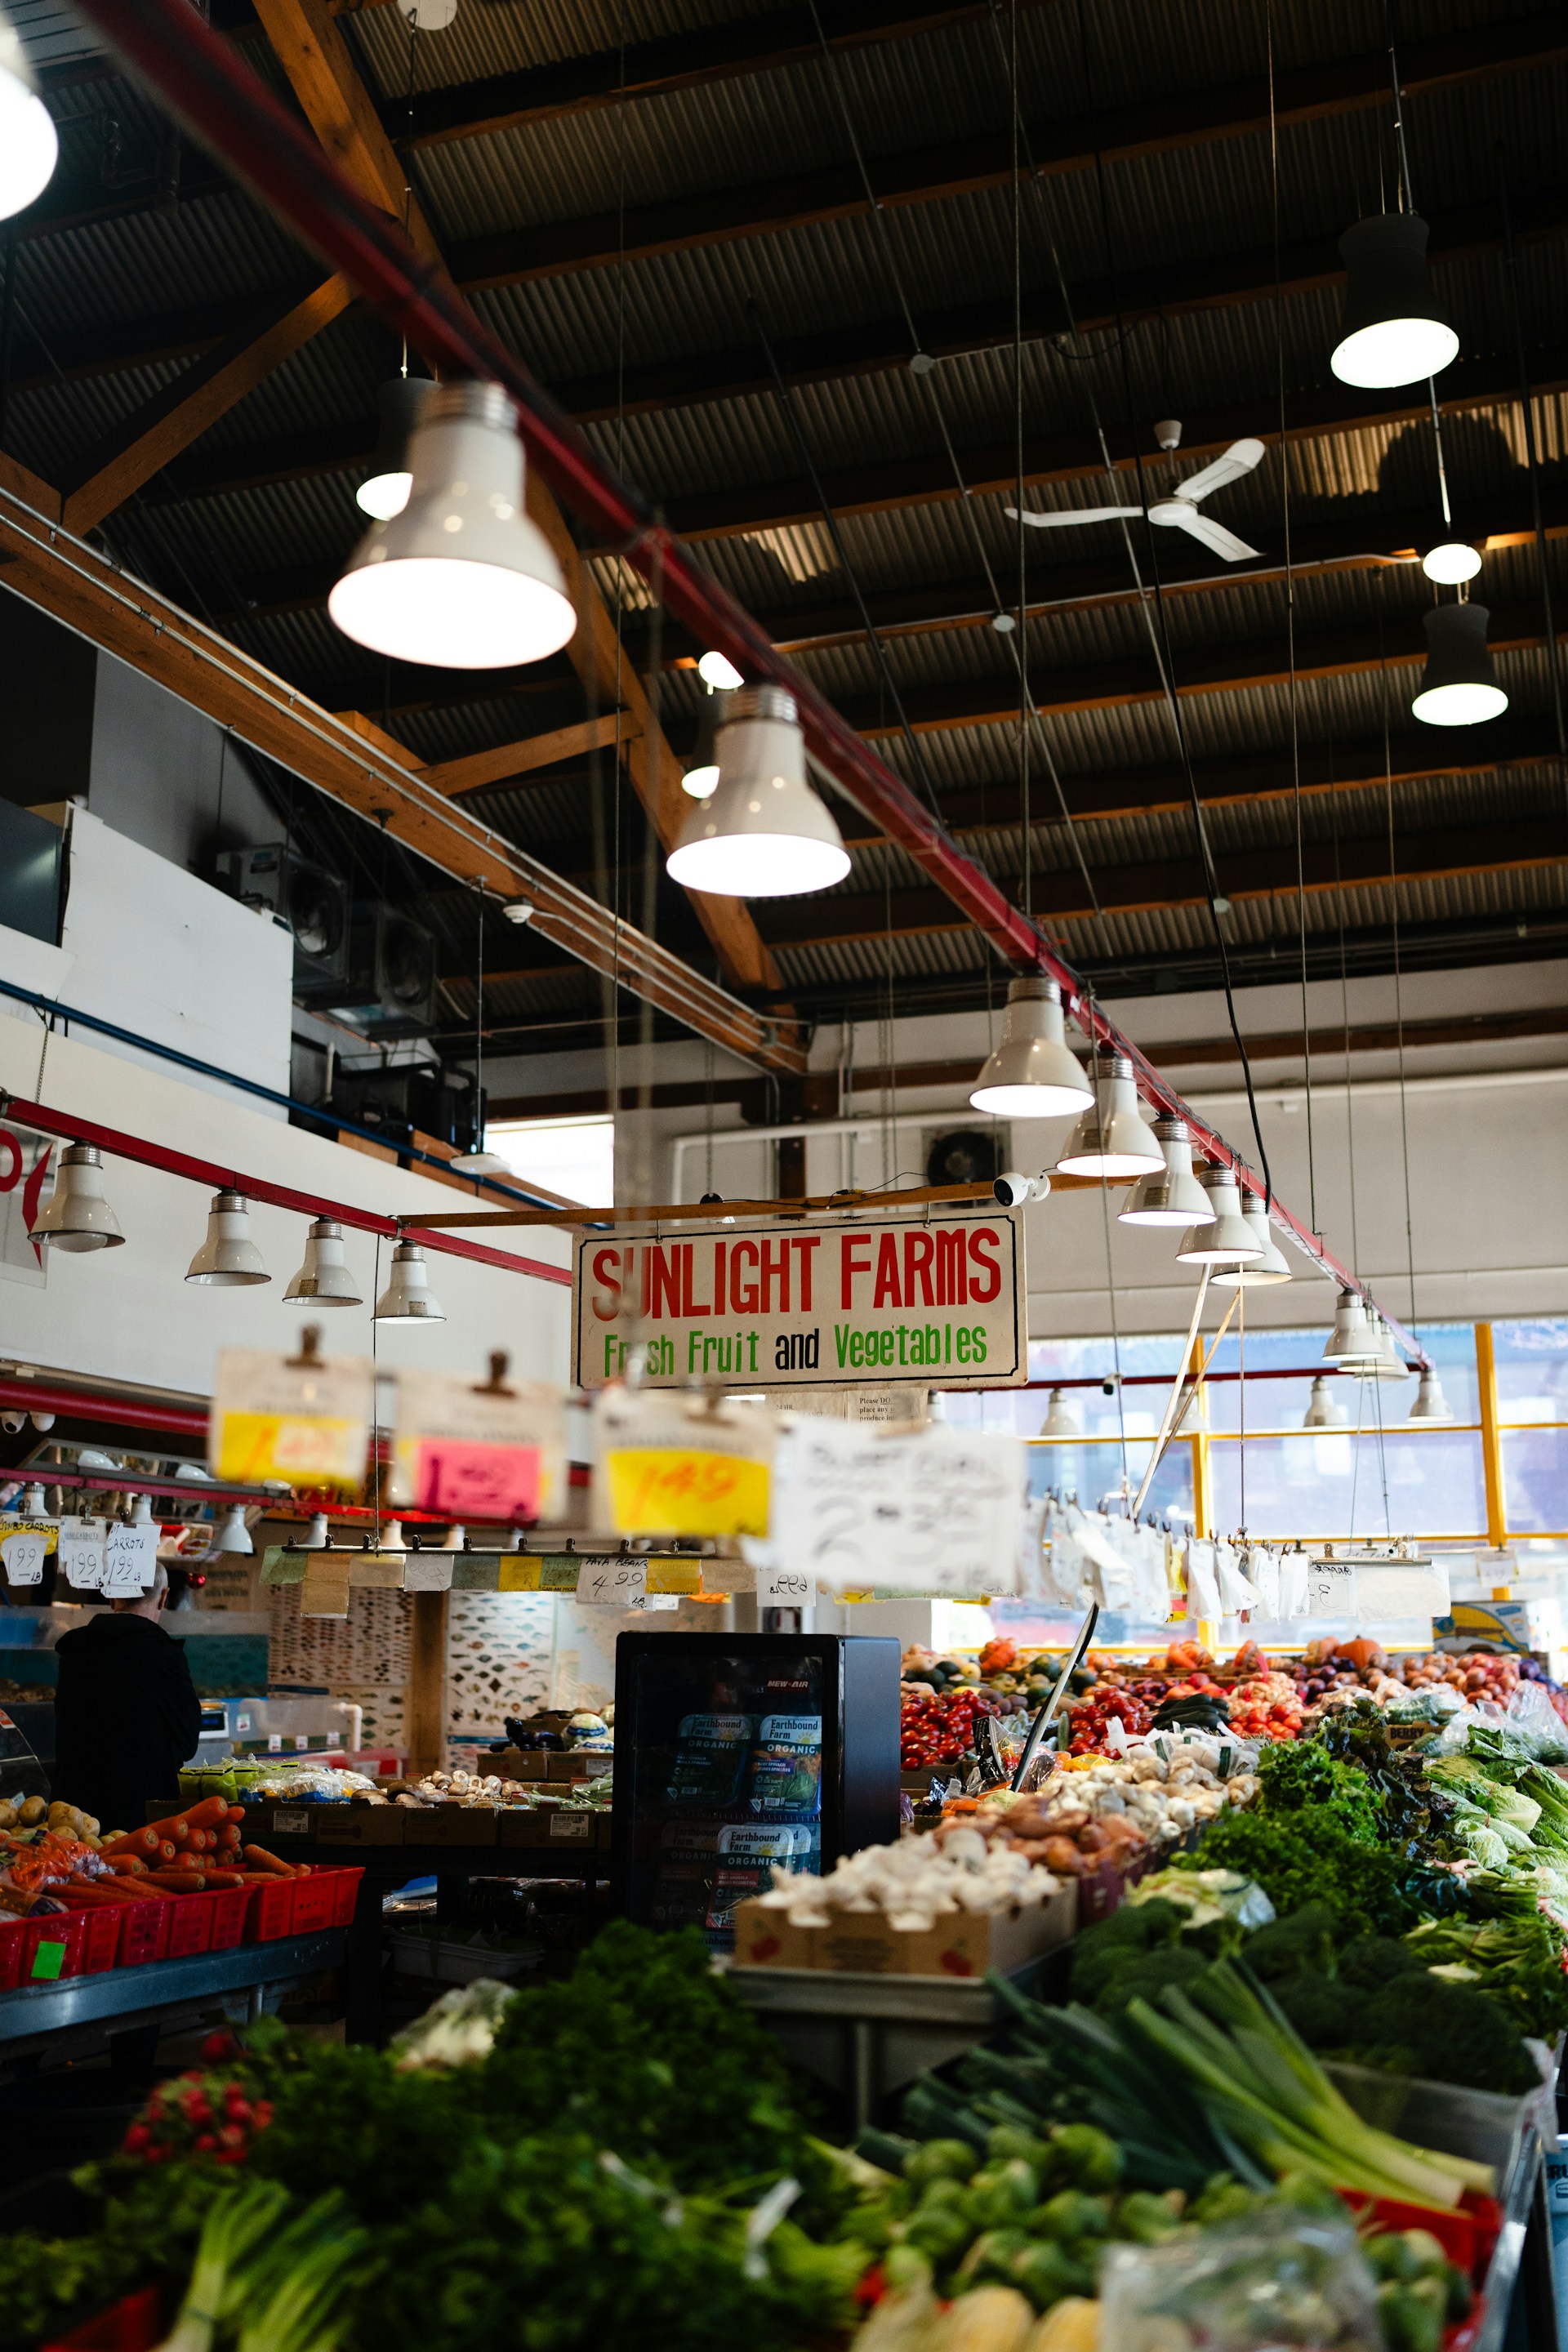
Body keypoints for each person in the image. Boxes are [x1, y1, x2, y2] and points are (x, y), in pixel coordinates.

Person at [52, 1565, 203, 1834]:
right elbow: (189, 1743)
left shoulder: (74, 1651)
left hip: (74, 1820)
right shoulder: (164, 1657)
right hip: (139, 1823)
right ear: (164, 1597)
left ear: (111, 1596)